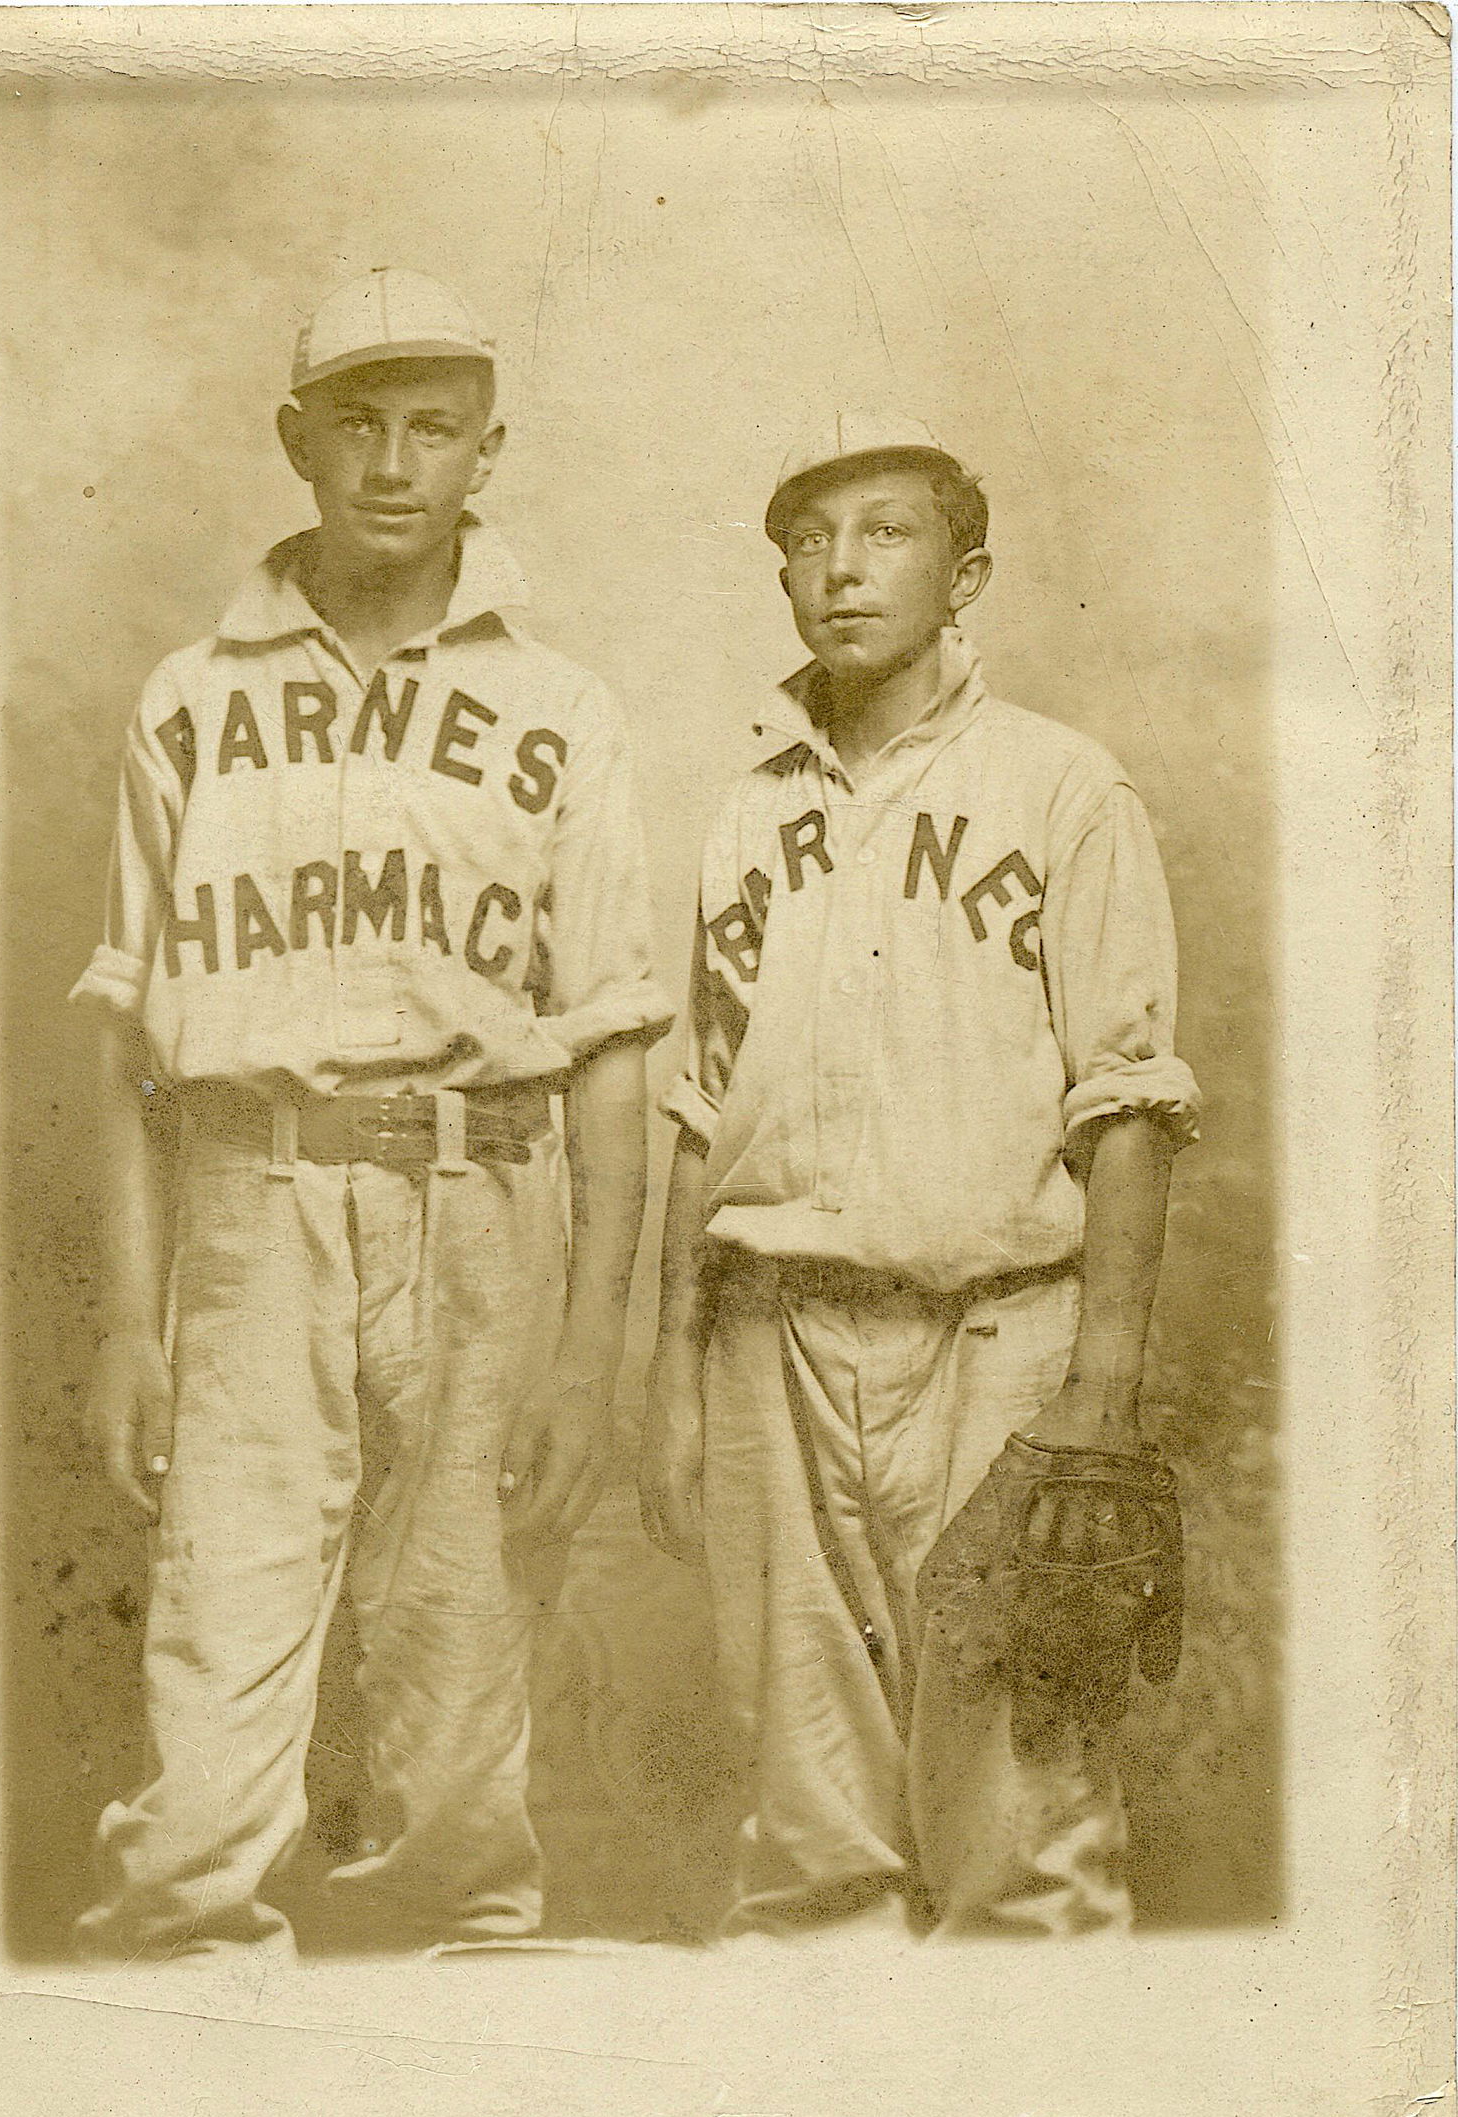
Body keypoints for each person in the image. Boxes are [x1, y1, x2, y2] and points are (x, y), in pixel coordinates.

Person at [71, 270, 672, 1960]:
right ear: (296, 442)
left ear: (491, 449)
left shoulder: (565, 709)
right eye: (357, 423)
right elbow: (125, 1029)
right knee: (212, 1701)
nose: (393, 464)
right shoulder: (192, 697)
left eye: (432, 427)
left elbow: (615, 1051)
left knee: (461, 1710)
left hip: (486, 1208)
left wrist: (591, 1350)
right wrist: (131, 1322)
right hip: (250, 1203)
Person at [639, 413, 1200, 1937]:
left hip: (998, 1340)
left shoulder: (1063, 788)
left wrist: (1103, 1391)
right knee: (813, 1844)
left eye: (884, 534)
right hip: (772, 1339)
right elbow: (701, 1112)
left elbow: (1130, 1102)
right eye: (808, 545)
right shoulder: (748, 810)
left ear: (969, 574)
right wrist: (674, 1375)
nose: (840, 569)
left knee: (1025, 1833)